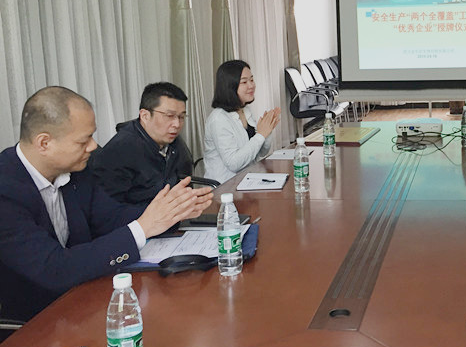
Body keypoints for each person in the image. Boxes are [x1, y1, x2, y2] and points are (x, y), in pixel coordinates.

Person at [0, 87, 213, 322]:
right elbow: (54, 268)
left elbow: (111, 217)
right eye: (84, 140)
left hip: (88, 297)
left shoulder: (77, 170)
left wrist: (171, 211)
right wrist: (143, 227)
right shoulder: (5, 191)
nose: (93, 146)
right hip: (36, 320)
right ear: (44, 143)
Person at [92, 82, 193, 210]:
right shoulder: (120, 151)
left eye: (181, 117)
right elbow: (109, 211)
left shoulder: (172, 142)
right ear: (145, 116)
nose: (177, 124)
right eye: (169, 116)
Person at [203, 60, 281, 183]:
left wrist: (267, 130)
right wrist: (261, 135)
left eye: (252, 80)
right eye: (244, 82)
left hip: (248, 179)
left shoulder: (245, 110)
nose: (251, 85)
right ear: (229, 86)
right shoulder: (219, 119)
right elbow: (233, 164)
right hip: (225, 186)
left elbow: (260, 153)